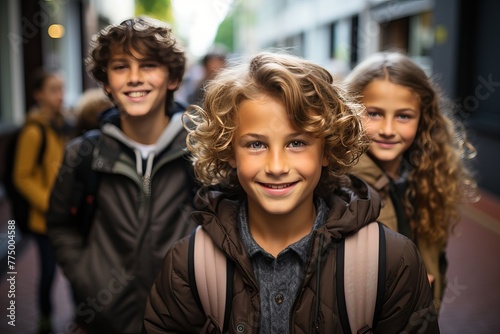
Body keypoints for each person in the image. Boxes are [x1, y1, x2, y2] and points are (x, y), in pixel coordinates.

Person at [143, 52, 439, 333]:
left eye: (297, 143)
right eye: (256, 144)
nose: (276, 166)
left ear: (327, 149)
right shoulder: (188, 264)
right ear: (229, 151)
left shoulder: (392, 261)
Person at [46, 17, 197, 333]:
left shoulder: (202, 152)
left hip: (184, 321)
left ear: (172, 78)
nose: (134, 78)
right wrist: (87, 277)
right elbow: (61, 225)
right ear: (105, 84)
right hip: (106, 320)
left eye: (149, 65)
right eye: (120, 67)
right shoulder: (81, 155)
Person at [344, 51, 478, 311]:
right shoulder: (342, 187)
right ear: (350, 112)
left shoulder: (428, 176)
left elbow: (436, 259)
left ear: (423, 118)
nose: (388, 129)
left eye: (403, 116)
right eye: (373, 114)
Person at [13, 69, 69, 334]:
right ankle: (45, 320)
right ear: (38, 95)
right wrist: (50, 203)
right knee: (48, 273)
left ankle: (81, 316)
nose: (60, 95)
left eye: (61, 89)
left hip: (65, 215)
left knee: (72, 270)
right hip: (44, 219)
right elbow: (21, 177)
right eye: (53, 90)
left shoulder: (60, 125)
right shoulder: (34, 130)